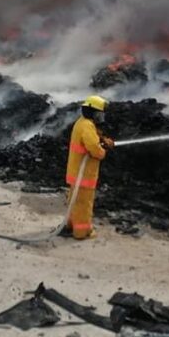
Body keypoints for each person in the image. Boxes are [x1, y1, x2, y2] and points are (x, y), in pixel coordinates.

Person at [64, 95, 114, 240]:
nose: (100, 117)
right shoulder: (87, 126)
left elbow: (93, 138)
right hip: (84, 175)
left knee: (75, 201)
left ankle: (71, 224)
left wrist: (103, 139)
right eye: (99, 114)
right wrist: (103, 150)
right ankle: (81, 232)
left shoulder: (82, 123)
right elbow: (94, 149)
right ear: (92, 112)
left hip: (76, 172)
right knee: (84, 205)